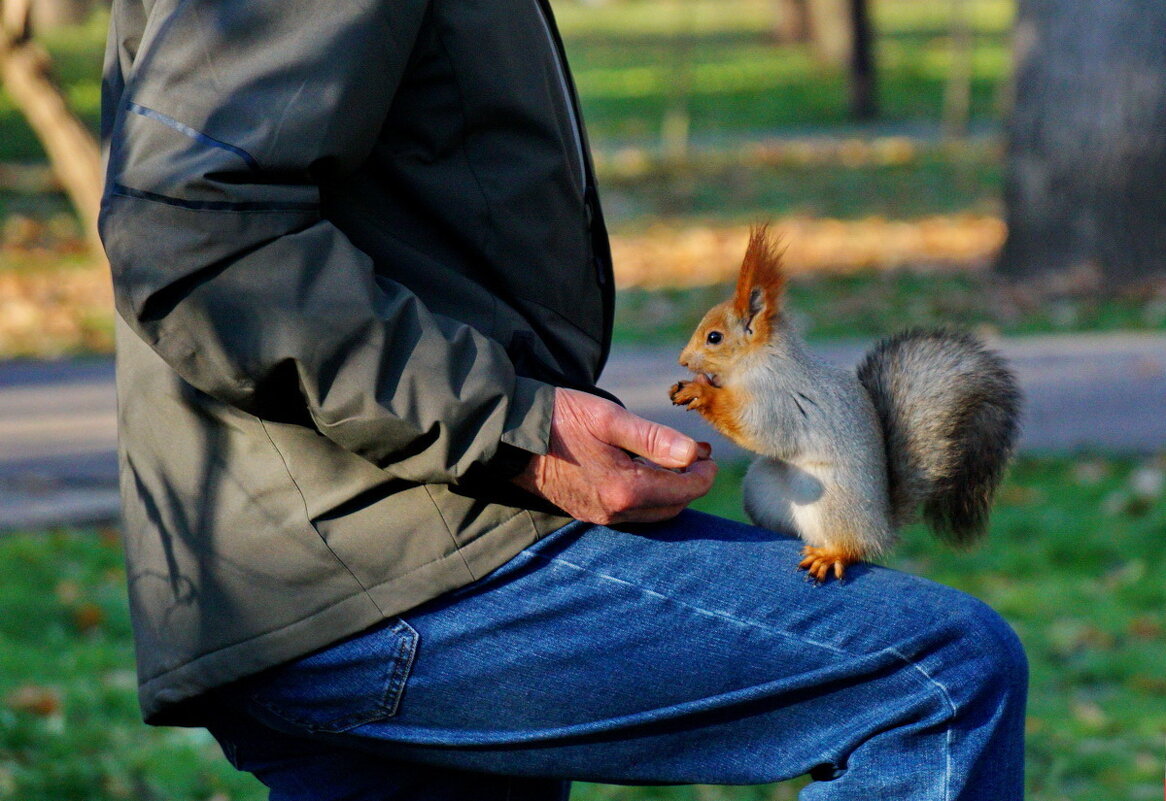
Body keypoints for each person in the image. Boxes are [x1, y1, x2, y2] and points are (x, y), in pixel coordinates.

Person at [98, 1, 1028, 799]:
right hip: (379, 556)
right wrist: (516, 429)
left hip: (370, 538)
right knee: (938, 676)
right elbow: (190, 222)